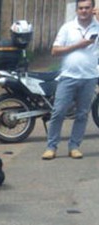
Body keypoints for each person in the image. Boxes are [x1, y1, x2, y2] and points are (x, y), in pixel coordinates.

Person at [42, 0, 99, 160]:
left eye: (87, 8)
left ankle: (74, 146)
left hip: (89, 77)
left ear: (92, 9)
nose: (84, 11)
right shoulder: (67, 28)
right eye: (81, 8)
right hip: (68, 77)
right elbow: (55, 51)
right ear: (76, 10)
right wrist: (78, 45)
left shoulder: (97, 27)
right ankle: (51, 147)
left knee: (82, 114)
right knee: (58, 112)